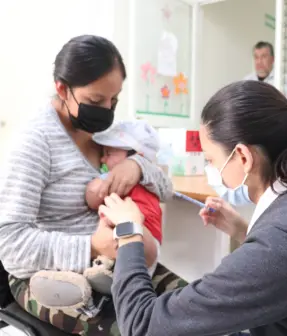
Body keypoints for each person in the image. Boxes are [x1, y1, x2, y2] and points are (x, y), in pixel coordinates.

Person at [100, 80, 287, 336]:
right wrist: (247, 231)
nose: (209, 168)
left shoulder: (286, 246)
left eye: (210, 160)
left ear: (242, 157)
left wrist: (129, 231)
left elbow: (142, 326)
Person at [0, 35, 184, 336]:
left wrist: (138, 166)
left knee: (199, 312)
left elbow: (166, 188)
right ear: (63, 89)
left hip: (120, 258)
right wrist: (91, 245)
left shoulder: (111, 134)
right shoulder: (35, 142)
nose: (107, 110)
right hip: (50, 276)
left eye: (114, 99)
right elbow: (10, 244)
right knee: (148, 329)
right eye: (96, 101)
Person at [28, 120, 163, 312]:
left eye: (109, 153)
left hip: (136, 238)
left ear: (136, 155)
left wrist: (102, 182)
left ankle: (111, 278)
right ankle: (101, 277)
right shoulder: (151, 176)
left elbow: (92, 197)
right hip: (136, 246)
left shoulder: (125, 176)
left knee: (120, 239)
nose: (103, 160)